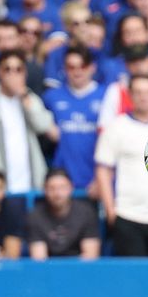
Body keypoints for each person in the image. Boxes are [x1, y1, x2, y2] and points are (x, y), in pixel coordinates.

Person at [95, 73, 148, 256]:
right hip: (127, 215)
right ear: (129, 95)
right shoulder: (116, 126)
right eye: (138, 92)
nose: (143, 96)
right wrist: (111, 211)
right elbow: (103, 170)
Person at [0, 49, 59, 193]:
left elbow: (44, 126)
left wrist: (25, 98)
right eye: (7, 69)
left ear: (25, 73)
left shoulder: (31, 100)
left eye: (19, 69)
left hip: (32, 184)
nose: (13, 74)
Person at [43, 44, 106, 191]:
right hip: (63, 182)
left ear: (92, 67)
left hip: (97, 181)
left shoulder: (107, 96)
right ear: (64, 69)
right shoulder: (51, 97)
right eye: (71, 67)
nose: (77, 71)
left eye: (82, 66)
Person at [27, 167, 102, 259]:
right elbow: (39, 260)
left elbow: (91, 256)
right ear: (45, 190)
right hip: (48, 271)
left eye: (62, 187)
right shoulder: (35, 216)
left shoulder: (86, 212)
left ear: (71, 188)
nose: (57, 193)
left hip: (79, 270)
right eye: (52, 188)